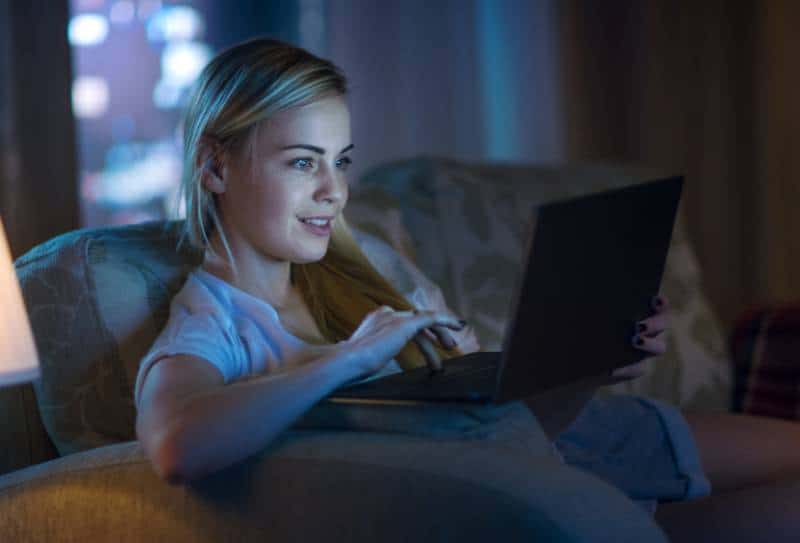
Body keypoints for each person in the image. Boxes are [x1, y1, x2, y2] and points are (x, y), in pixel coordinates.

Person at [134, 37, 800, 541]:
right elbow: (174, 443)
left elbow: (508, 423)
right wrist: (346, 359)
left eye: (340, 162)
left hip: (579, 440)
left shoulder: (362, 262)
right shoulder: (212, 318)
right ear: (215, 167)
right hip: (530, 491)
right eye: (303, 163)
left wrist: (588, 367)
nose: (333, 191)